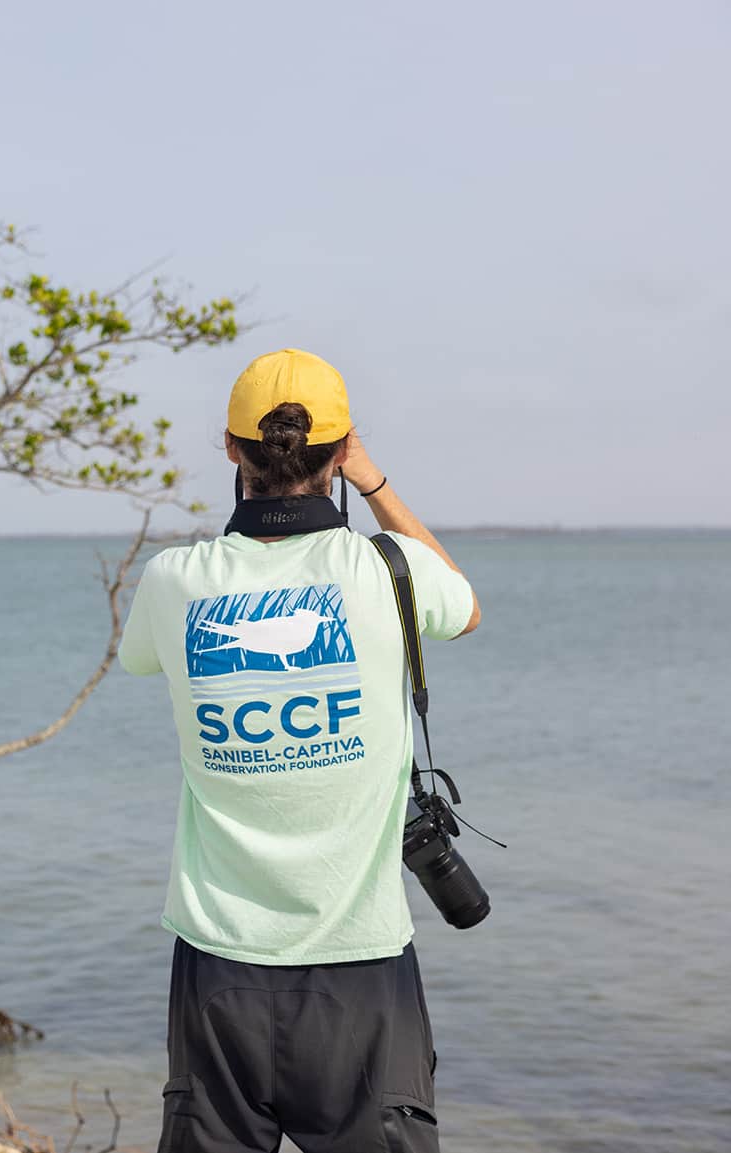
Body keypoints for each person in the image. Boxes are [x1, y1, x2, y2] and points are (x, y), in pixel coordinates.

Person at [119, 349, 481, 1153]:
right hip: (361, 969)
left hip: (217, 966)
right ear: (340, 451)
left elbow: (139, 657)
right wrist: (377, 483)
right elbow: (466, 605)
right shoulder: (391, 570)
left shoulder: (175, 581)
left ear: (231, 448)